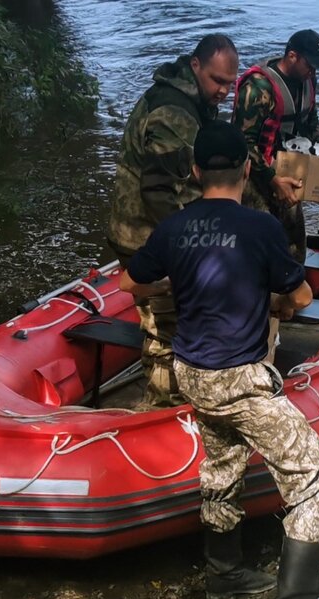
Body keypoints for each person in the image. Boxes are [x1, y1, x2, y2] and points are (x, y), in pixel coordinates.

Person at [119, 121, 319, 599]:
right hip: (238, 379)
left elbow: (131, 281)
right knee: (315, 479)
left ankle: (225, 574)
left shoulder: (173, 228)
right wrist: (274, 300)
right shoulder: (260, 228)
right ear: (245, 169)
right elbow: (302, 297)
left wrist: (177, 279)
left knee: (221, 465)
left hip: (190, 372)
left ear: (195, 172)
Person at [106, 34, 240, 409]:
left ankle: (180, 399)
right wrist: (196, 249)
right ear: (196, 66)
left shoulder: (192, 99)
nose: (224, 92)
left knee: (179, 321)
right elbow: (161, 192)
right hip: (146, 236)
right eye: (217, 81)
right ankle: (161, 412)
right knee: (166, 332)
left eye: (230, 84)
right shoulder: (174, 113)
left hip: (151, 230)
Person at [232, 29, 319, 258]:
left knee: (295, 242)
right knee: (259, 243)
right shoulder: (258, 87)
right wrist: (272, 179)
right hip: (256, 176)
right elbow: (243, 143)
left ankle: (293, 287)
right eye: (310, 64)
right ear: (292, 56)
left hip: (290, 168)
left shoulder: (308, 79)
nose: (313, 71)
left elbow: (311, 121)